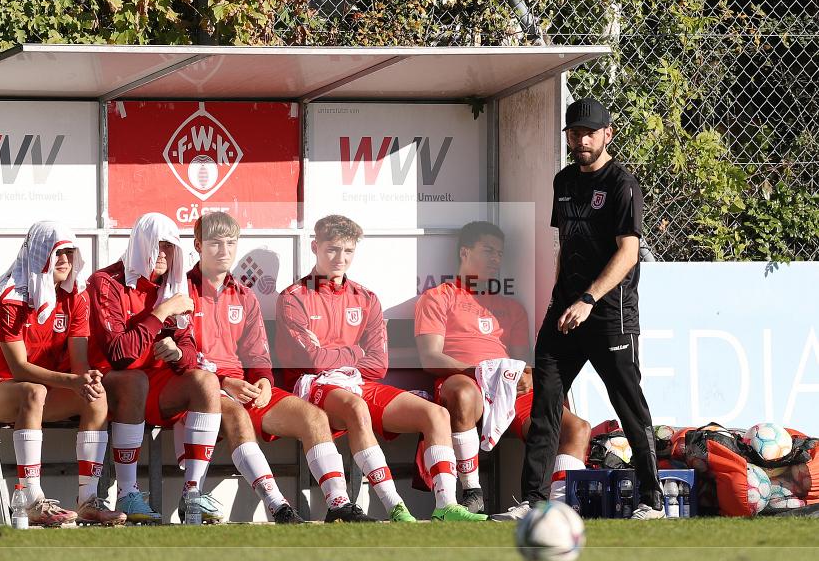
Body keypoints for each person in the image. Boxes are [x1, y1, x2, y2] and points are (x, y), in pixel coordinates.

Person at [276, 215, 487, 522]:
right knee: (357, 408)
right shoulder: (293, 297)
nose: (340, 258)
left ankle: (446, 505)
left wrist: (333, 352)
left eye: (348, 251)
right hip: (313, 383)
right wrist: (355, 351)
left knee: (436, 413)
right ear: (315, 247)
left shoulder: (366, 298)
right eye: (332, 249)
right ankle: (395, 507)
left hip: (358, 381)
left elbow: (377, 364)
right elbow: (314, 362)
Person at [517, 97, 664, 520]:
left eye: (588, 133)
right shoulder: (563, 181)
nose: (580, 140)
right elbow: (566, 245)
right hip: (566, 311)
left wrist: (588, 299)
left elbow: (628, 253)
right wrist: (561, 297)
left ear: (607, 134)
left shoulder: (622, 184)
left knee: (628, 403)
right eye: (574, 133)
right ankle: (533, 501)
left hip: (608, 314)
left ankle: (651, 499)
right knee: (546, 400)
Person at [185, 211, 358, 523]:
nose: (224, 251)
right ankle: (278, 505)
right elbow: (179, 359)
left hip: (244, 388)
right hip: (202, 392)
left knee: (313, 416)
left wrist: (264, 380)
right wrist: (224, 382)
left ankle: (339, 505)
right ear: (198, 245)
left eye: (230, 243)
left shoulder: (245, 296)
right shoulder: (180, 291)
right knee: (236, 414)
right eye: (214, 244)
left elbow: (258, 358)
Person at [415, 221, 591, 518]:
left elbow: (525, 361)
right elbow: (430, 358)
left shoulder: (512, 307)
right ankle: (472, 492)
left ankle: (557, 510)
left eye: (500, 254)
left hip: (507, 391)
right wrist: (481, 372)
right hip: (463, 384)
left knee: (578, 428)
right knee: (464, 393)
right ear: (464, 252)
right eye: (488, 251)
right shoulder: (438, 297)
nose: (496, 259)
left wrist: (526, 377)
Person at [0, 221, 125, 526]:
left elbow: (78, 362)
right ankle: (31, 500)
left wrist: (86, 379)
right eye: (56, 253)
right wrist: (73, 381)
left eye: (69, 253)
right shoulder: (10, 297)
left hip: (42, 388)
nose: (64, 260)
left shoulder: (77, 296)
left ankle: (89, 500)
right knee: (34, 390)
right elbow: (19, 369)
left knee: (95, 395)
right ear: (37, 255)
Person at [88, 212, 225, 524]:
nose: (164, 253)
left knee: (205, 382)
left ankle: (192, 492)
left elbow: (190, 352)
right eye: (157, 245)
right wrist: (161, 312)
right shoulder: (106, 282)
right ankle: (127, 491)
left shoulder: (173, 287)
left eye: (170, 246)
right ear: (139, 244)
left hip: (152, 385)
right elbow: (119, 354)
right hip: (104, 387)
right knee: (134, 379)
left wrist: (177, 352)